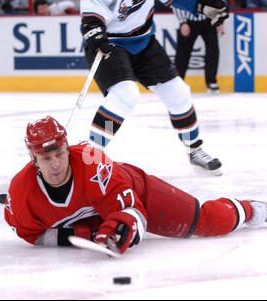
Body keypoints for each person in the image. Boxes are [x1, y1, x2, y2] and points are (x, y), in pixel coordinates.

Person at [2, 116, 267, 254]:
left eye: (60, 154)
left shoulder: (94, 165)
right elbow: (32, 234)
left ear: (67, 149)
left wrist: (118, 231)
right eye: (46, 157)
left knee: (206, 222)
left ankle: (252, 210)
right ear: (33, 159)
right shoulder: (21, 192)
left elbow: (132, 210)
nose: (55, 164)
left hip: (136, 192)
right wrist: (83, 234)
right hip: (93, 210)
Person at [80, 0, 229, 174]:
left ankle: (194, 149)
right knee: (124, 94)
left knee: (178, 92)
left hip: (143, 42)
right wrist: (95, 33)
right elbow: (91, 18)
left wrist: (203, 5)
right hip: (108, 43)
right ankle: (92, 155)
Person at [172, 5, 223, 94]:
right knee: (182, 53)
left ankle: (211, 81)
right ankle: (178, 82)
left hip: (208, 20)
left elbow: (217, 3)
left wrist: (218, 20)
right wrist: (182, 22)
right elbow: (177, 3)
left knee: (213, 50)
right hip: (189, 21)